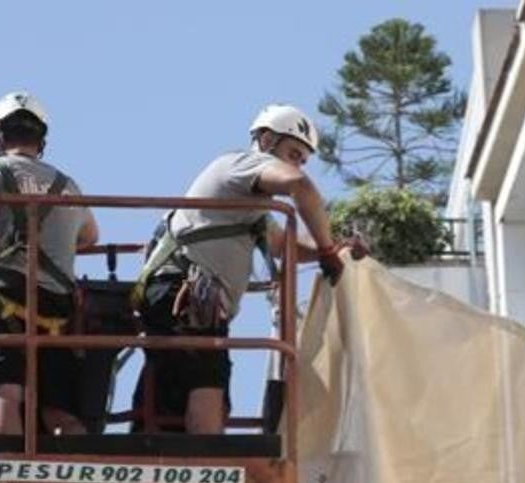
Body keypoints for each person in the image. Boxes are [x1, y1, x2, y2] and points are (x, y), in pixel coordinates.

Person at [133, 104, 362, 434]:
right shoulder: (241, 165)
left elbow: (284, 246)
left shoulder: (250, 205)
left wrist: (336, 248)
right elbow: (301, 188)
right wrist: (327, 250)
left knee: (173, 396)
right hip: (186, 295)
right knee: (207, 384)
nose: (296, 163)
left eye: (302, 159)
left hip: (178, 296)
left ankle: (173, 468)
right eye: (293, 153)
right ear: (266, 140)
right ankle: (207, 476)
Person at [0, 91, 100, 436]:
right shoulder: (68, 185)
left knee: (5, 392)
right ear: (42, 140)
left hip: (7, 297)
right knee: (59, 408)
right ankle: (80, 479)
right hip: (58, 305)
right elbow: (90, 236)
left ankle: (9, 481)